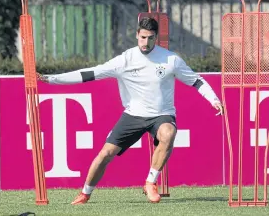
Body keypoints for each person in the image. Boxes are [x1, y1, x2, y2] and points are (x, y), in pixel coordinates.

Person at [37, 17, 224, 204]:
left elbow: (196, 81)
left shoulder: (171, 60)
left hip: (162, 114)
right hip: (133, 115)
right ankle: (85, 193)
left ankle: (150, 182)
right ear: (137, 35)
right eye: (143, 37)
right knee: (105, 154)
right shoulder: (125, 60)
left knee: (169, 133)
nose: (146, 42)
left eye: (150, 38)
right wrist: (52, 79)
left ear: (156, 37)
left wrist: (213, 99)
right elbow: (89, 74)